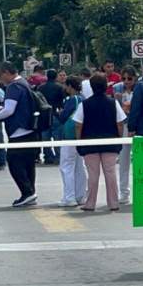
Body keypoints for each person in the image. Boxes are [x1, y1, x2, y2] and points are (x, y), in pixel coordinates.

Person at [0, 62, 40, 207]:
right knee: (28, 164)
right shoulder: (24, 83)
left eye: (0, 75)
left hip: (18, 130)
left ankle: (27, 192)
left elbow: (9, 109)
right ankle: (31, 192)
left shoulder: (13, 87)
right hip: (30, 129)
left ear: (7, 72)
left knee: (14, 162)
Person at [74, 74, 126, 212]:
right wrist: (119, 139)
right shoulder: (113, 103)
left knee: (93, 174)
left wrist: (79, 142)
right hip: (110, 142)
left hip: (89, 143)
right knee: (110, 173)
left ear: (91, 86)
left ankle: (90, 203)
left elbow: (78, 125)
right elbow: (120, 123)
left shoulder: (84, 104)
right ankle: (113, 203)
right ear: (105, 86)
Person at [57, 76, 86, 207]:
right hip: (81, 136)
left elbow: (63, 117)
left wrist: (60, 113)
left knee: (67, 166)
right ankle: (80, 196)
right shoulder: (83, 99)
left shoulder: (71, 100)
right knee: (80, 167)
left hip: (69, 135)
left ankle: (69, 197)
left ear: (69, 86)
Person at [113, 66, 137, 204]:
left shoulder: (139, 89)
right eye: (124, 78)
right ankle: (124, 192)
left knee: (138, 160)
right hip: (123, 126)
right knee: (123, 161)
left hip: (136, 127)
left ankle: (139, 191)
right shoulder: (117, 89)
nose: (127, 81)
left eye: (130, 78)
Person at [37, 69, 65, 164]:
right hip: (55, 113)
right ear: (56, 76)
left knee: (45, 137)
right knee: (57, 137)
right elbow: (62, 102)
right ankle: (58, 157)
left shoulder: (40, 88)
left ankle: (48, 157)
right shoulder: (59, 87)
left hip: (44, 115)